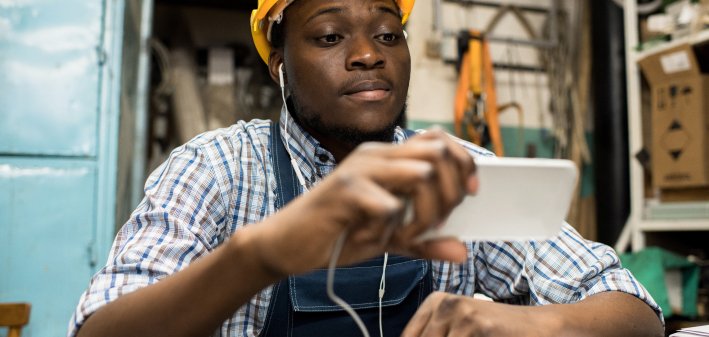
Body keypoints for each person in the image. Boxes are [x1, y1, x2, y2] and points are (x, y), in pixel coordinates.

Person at [69, 0, 665, 336]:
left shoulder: (458, 174)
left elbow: (633, 311)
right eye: (329, 36)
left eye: (388, 33)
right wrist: (259, 255)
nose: (367, 54)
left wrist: (530, 325)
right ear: (277, 62)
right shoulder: (218, 169)